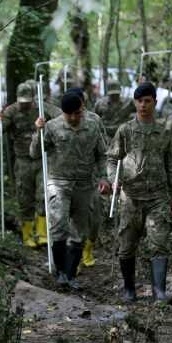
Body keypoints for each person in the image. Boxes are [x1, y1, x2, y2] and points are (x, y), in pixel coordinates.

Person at [107, 81, 172, 303]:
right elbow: (112, 158)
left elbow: (170, 165)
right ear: (135, 103)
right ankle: (129, 290)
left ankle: (159, 292)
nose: (143, 105)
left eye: (148, 101)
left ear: (155, 102)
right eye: (139, 101)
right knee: (127, 245)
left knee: (159, 243)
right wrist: (114, 180)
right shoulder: (125, 130)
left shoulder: (164, 132)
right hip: (131, 197)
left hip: (158, 197)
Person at [33, 92, 110, 289]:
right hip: (59, 183)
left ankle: (71, 274)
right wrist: (38, 132)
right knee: (58, 227)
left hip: (84, 185)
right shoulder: (52, 126)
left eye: (78, 113)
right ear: (63, 114)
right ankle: (60, 273)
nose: (74, 118)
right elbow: (34, 152)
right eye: (70, 115)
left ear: (83, 109)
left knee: (79, 232)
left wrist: (103, 176)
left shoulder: (93, 125)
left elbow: (102, 154)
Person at [0, 82, 59, 248]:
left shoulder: (43, 108)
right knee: (25, 197)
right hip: (22, 160)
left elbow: (61, 120)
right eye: (21, 102)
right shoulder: (11, 111)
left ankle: (43, 234)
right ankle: (27, 235)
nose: (24, 105)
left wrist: (48, 126)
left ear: (33, 99)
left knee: (43, 194)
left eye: (27, 102)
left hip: (41, 159)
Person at [67, 87, 109, 269]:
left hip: (92, 177)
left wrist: (104, 176)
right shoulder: (61, 120)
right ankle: (73, 257)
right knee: (73, 219)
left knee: (95, 218)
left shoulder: (94, 120)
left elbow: (103, 150)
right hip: (69, 178)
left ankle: (88, 249)